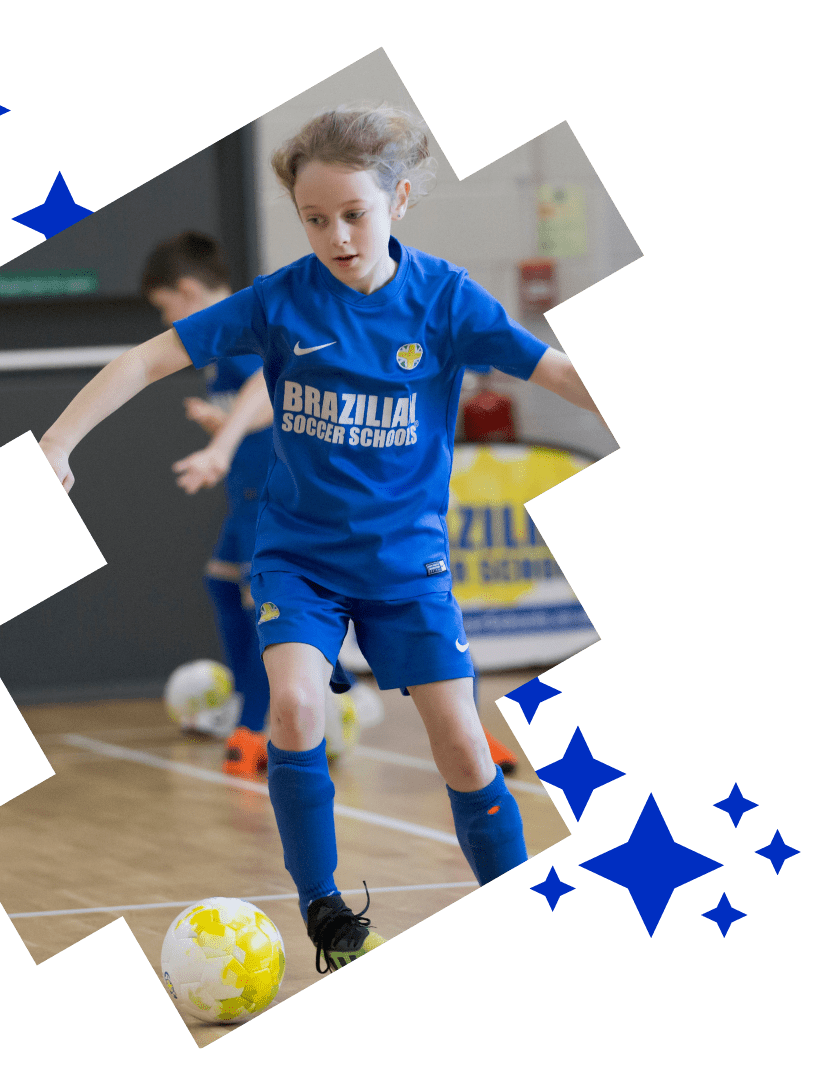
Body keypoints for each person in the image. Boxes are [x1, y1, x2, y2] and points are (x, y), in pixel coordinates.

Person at [40, 105, 608, 975]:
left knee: (461, 740)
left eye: (354, 214)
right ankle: (327, 913)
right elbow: (146, 360)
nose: (336, 235)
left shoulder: (449, 301)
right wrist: (57, 441)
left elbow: (557, 369)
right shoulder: (280, 302)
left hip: (406, 566)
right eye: (314, 219)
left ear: (401, 200)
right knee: (297, 709)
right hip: (299, 558)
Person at [140, 232, 274, 778]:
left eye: (165, 308)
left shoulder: (242, 335)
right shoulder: (225, 346)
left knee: (267, 606)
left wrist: (231, 434)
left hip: (270, 493)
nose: (165, 323)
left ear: (189, 291)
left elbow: (281, 394)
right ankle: (245, 704)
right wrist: (227, 426)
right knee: (222, 583)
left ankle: (258, 726)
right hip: (244, 490)